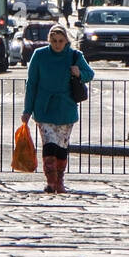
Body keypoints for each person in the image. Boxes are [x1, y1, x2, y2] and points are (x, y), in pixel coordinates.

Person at [20, 23, 94, 194]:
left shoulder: (75, 55)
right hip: (44, 107)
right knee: (49, 145)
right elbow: (32, 84)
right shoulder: (39, 55)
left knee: (61, 147)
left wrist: (79, 73)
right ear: (49, 41)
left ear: (66, 41)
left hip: (66, 107)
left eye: (61, 41)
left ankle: (59, 180)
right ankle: (51, 181)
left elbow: (89, 74)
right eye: (54, 41)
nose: (57, 44)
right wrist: (27, 110)